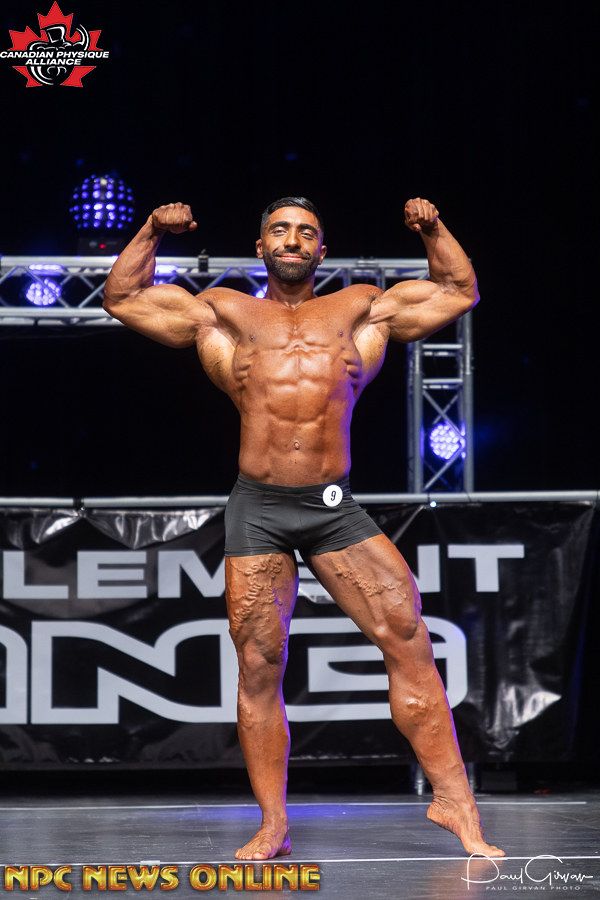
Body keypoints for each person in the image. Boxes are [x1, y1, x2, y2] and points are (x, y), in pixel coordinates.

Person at [103, 196, 504, 861]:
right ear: (260, 246)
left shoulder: (361, 309)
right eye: (280, 231)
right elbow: (122, 298)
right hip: (259, 508)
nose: (293, 239)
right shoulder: (223, 312)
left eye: (306, 232)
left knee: (407, 637)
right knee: (260, 665)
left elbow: (459, 290)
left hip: (332, 508)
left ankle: (455, 802)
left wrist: (433, 230)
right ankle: (273, 824)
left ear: (322, 249)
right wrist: (150, 229)